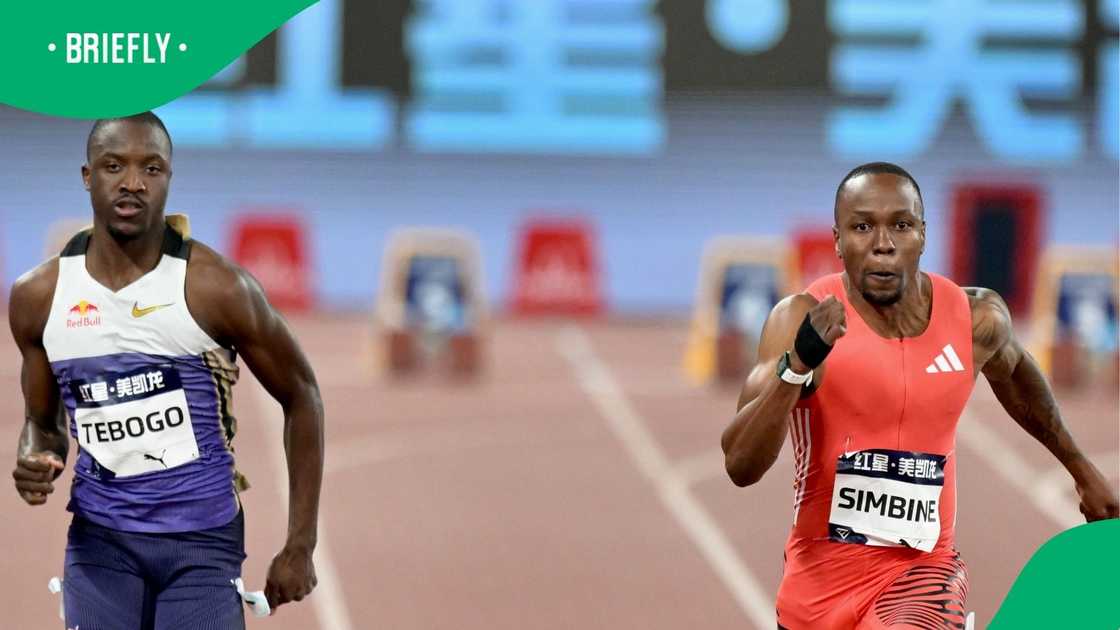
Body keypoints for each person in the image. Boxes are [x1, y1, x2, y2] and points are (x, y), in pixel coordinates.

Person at [720, 162, 1119, 629]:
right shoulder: (800, 321)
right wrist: (798, 367)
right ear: (837, 240)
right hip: (819, 590)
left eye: (901, 225)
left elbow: (1017, 377)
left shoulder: (975, 319)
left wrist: (1080, 468)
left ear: (923, 235)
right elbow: (740, 464)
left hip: (923, 576)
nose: (883, 244)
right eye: (863, 226)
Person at [9, 112, 324, 628]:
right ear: (87, 176)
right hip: (100, 542)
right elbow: (43, 424)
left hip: (203, 544)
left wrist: (301, 543)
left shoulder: (218, 288)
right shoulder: (39, 297)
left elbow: (302, 394)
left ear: (169, 179)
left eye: (151, 169)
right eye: (114, 166)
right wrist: (36, 457)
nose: (133, 182)